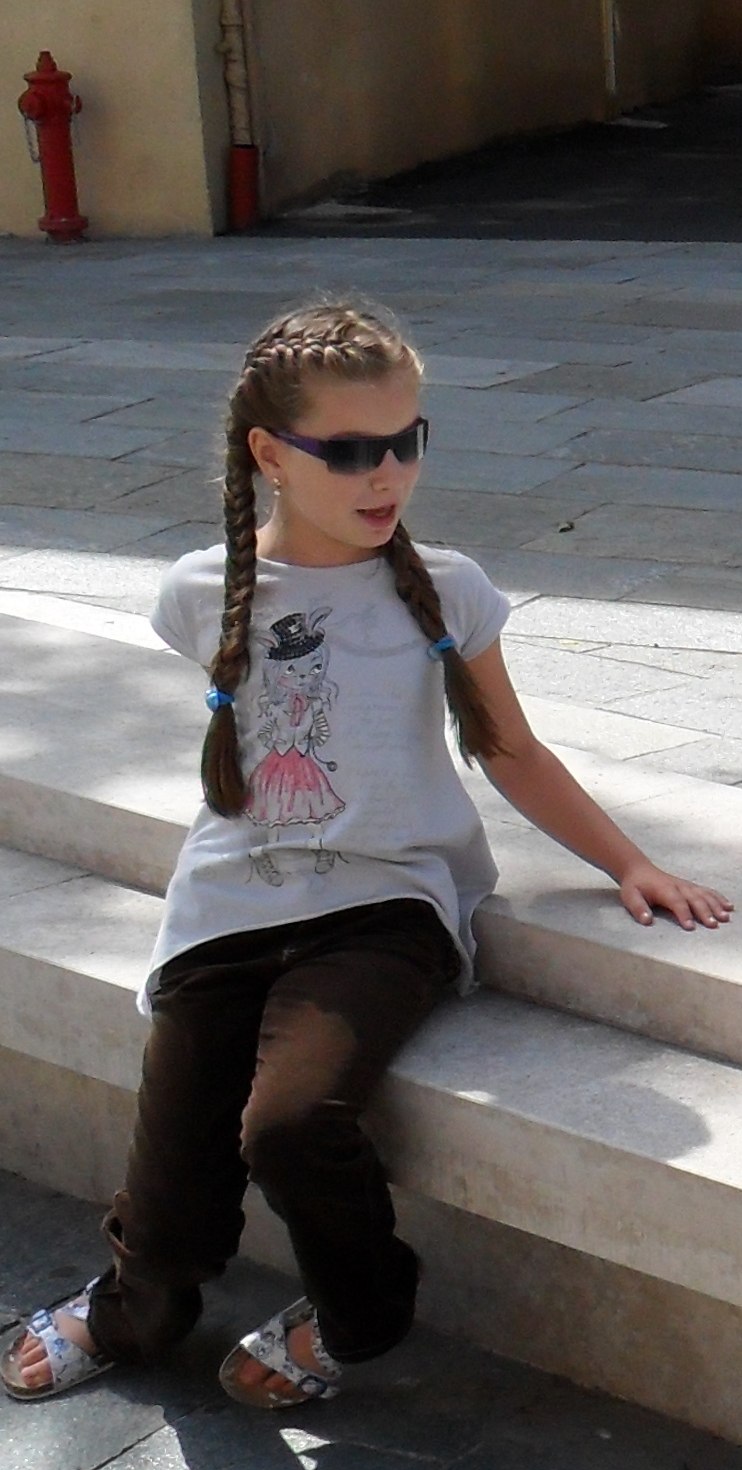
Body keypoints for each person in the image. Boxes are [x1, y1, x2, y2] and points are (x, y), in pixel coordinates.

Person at [2, 302, 732, 1409]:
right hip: (226, 910)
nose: (385, 472)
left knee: (291, 1127)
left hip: (387, 913)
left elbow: (510, 748)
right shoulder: (198, 592)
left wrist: (628, 862)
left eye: (405, 441)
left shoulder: (448, 588)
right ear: (269, 455)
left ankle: (365, 1311)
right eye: (348, 450)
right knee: (174, 1172)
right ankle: (135, 1309)